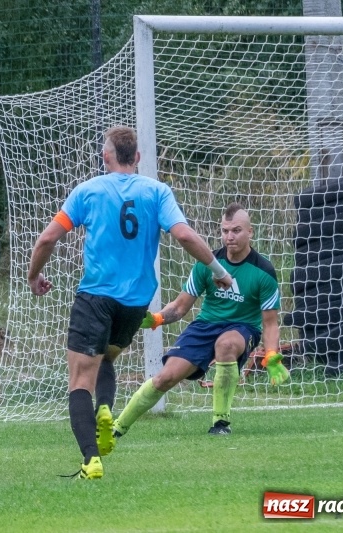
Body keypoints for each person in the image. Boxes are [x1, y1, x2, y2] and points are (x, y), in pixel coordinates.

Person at [27, 126, 234, 480]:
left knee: (79, 379)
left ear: (106, 157)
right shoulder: (157, 191)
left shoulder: (87, 191)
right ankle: (105, 408)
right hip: (135, 303)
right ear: (137, 158)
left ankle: (90, 460)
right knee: (106, 357)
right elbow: (183, 234)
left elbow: (48, 238)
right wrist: (217, 269)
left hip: (95, 296)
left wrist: (34, 275)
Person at [105, 202, 288, 451]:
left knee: (226, 344)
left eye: (236, 230)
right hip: (205, 325)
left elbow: (269, 322)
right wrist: (157, 318)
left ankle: (220, 421)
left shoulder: (263, 271)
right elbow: (180, 307)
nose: (229, 237)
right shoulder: (208, 263)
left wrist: (271, 355)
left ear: (250, 232)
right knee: (164, 378)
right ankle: (116, 428)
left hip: (243, 327)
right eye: (225, 231)